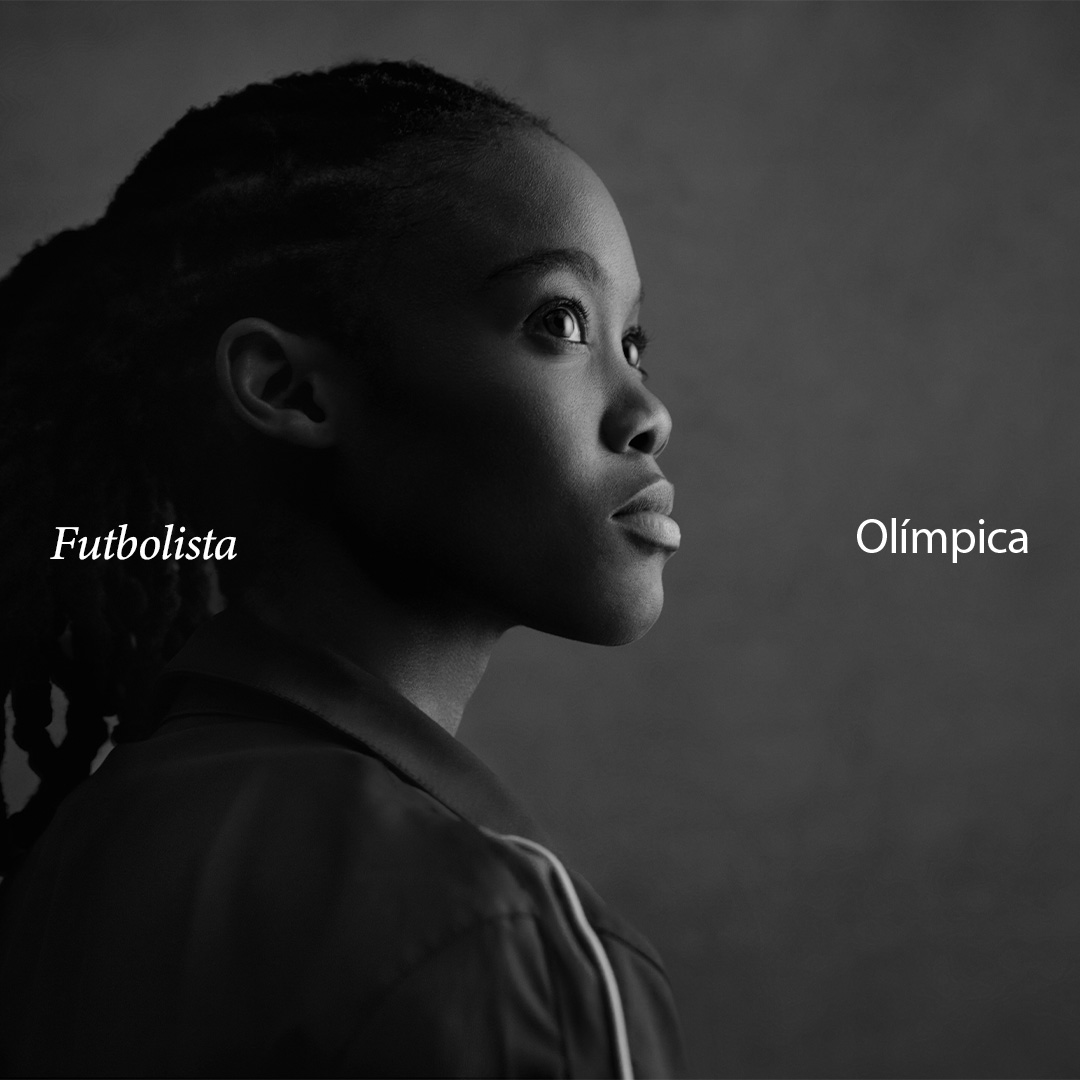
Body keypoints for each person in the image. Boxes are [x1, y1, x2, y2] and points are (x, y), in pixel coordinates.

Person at [0, 60, 685, 1078]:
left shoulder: (83, 851)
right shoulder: (495, 942)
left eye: (632, 340)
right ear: (290, 389)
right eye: (559, 322)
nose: (647, 412)